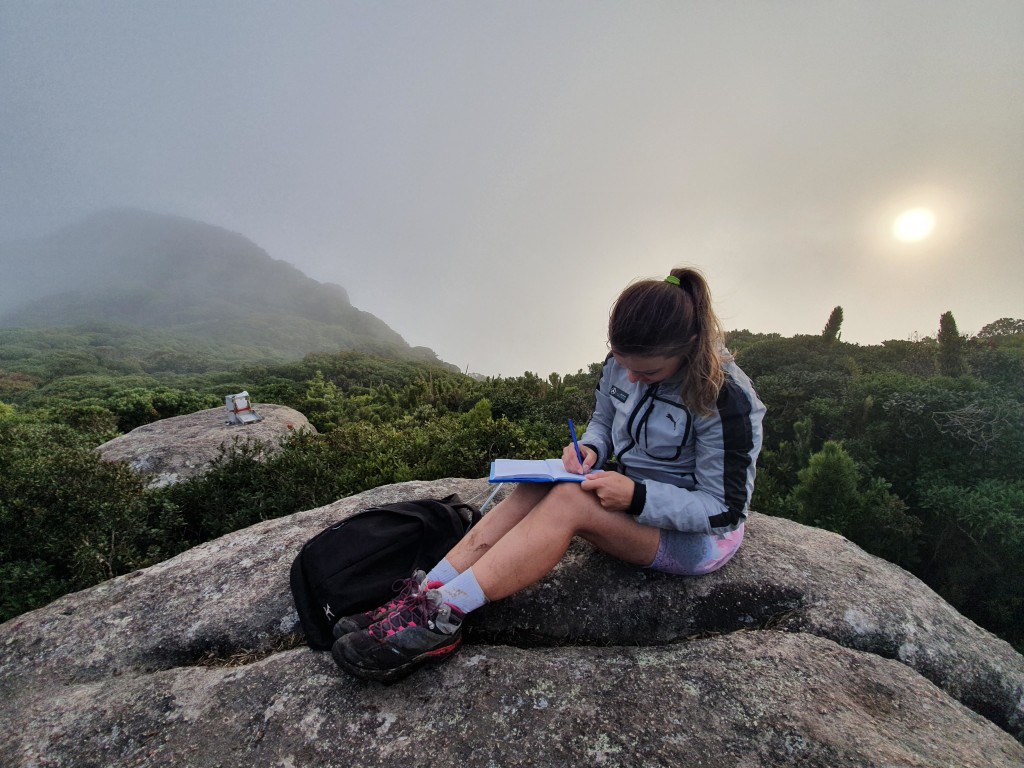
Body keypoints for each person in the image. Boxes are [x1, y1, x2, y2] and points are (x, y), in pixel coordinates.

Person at [332, 267, 766, 683]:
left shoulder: (726, 398)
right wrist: (592, 448)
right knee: (539, 485)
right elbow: (603, 418)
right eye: (624, 363)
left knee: (568, 501)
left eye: (648, 372)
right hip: (635, 501)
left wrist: (636, 496)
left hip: (697, 539)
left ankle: (446, 615)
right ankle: (427, 591)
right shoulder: (622, 363)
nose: (632, 377)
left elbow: (724, 510)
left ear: (689, 344)